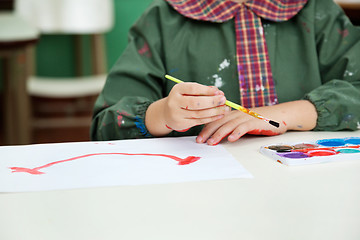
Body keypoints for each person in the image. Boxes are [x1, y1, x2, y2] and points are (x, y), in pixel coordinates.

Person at [91, 0, 360, 145]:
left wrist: (286, 114)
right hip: (197, 195)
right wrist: (163, 114)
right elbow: (106, 126)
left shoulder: (317, 10)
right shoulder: (161, 20)